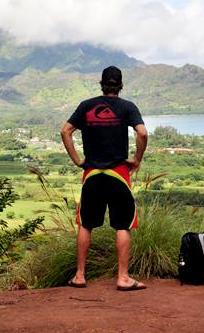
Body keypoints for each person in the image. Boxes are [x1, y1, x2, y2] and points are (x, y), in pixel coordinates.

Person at [60, 65, 149, 291]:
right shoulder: (127, 107)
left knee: (85, 224)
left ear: (101, 83)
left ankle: (80, 276)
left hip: (92, 174)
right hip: (118, 173)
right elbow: (142, 133)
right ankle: (123, 278)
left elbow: (65, 131)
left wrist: (77, 160)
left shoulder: (86, 106)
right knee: (122, 225)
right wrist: (136, 159)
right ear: (120, 85)